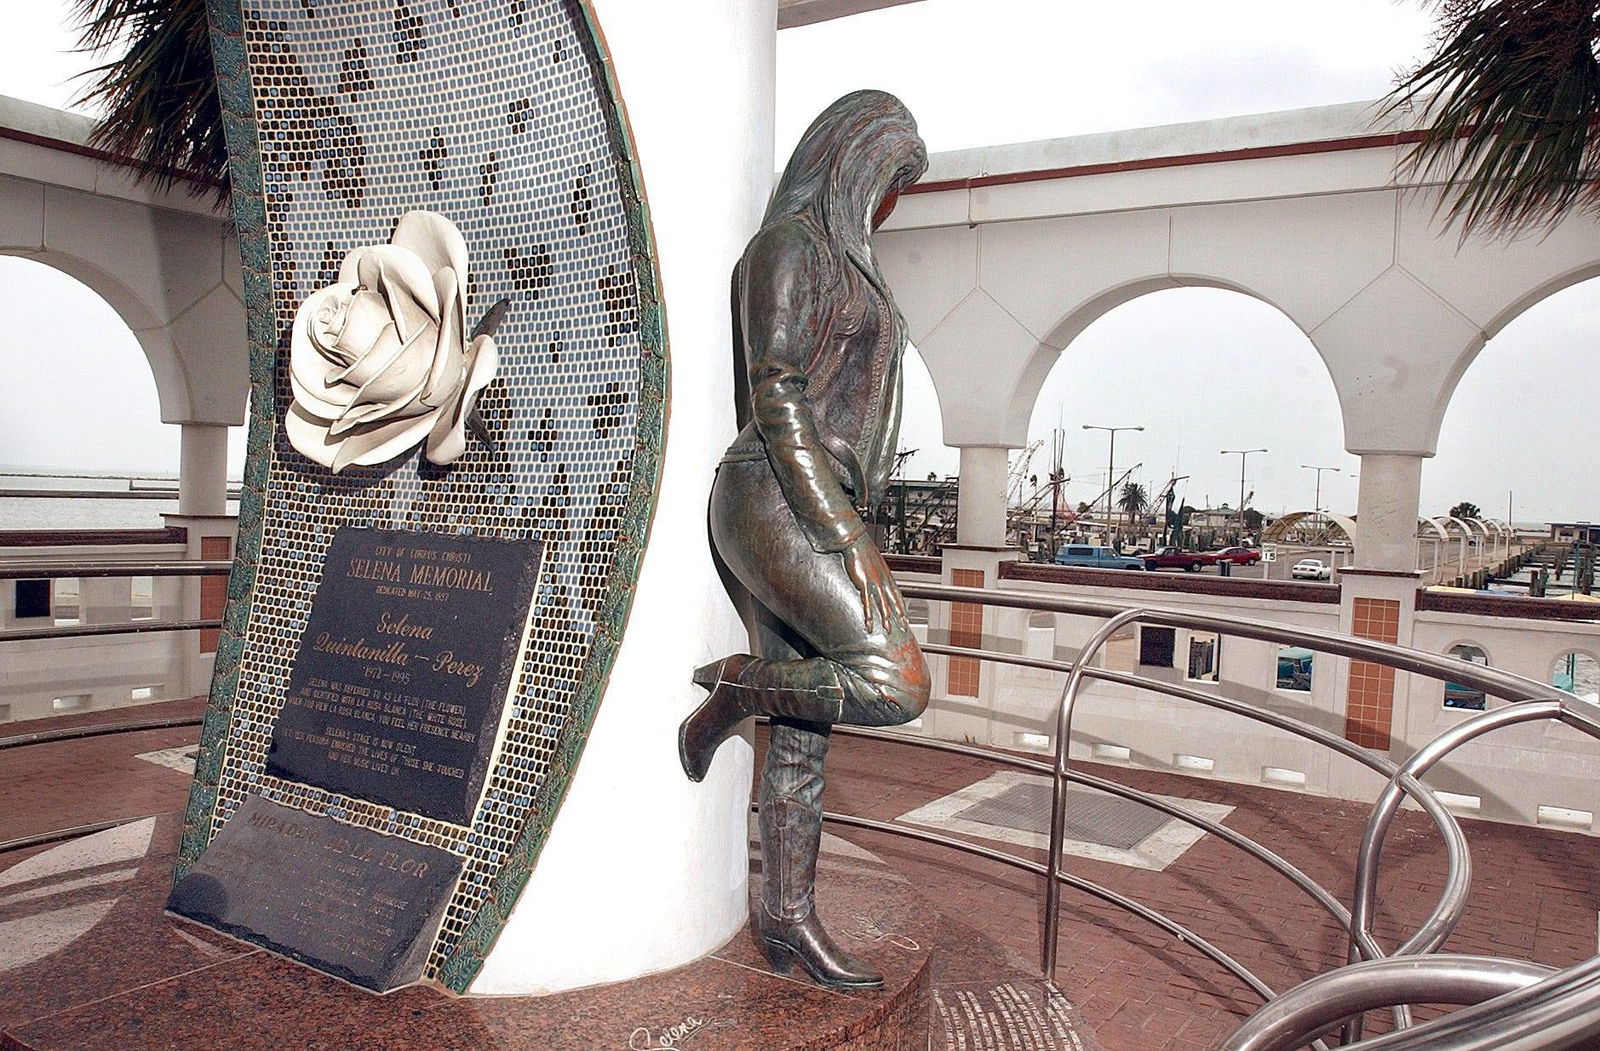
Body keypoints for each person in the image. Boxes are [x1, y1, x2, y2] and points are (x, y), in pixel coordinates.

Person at [678, 90, 931, 990]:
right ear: (854, 159)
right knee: (896, 683)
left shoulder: (851, 263)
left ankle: (785, 917)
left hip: (810, 496)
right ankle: (737, 688)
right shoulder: (789, 248)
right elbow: (776, 391)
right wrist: (844, 534)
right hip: (774, 493)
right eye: (890, 182)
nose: (889, 206)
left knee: (807, 729)